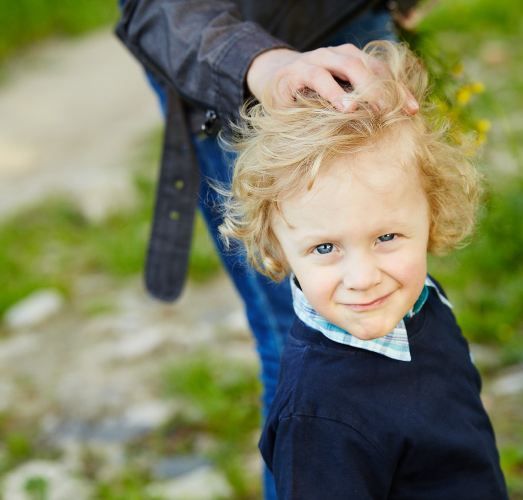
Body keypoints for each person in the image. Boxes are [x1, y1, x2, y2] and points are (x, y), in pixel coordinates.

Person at [116, 3, 420, 497]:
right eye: (324, 247)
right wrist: (260, 64)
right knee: (306, 348)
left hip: (349, 23)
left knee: (405, 321)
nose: (361, 274)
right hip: (235, 68)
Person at [219, 40, 509, 499]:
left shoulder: (423, 302)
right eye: (326, 247)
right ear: (277, 246)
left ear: (433, 211)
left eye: (386, 237)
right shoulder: (318, 420)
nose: (363, 277)